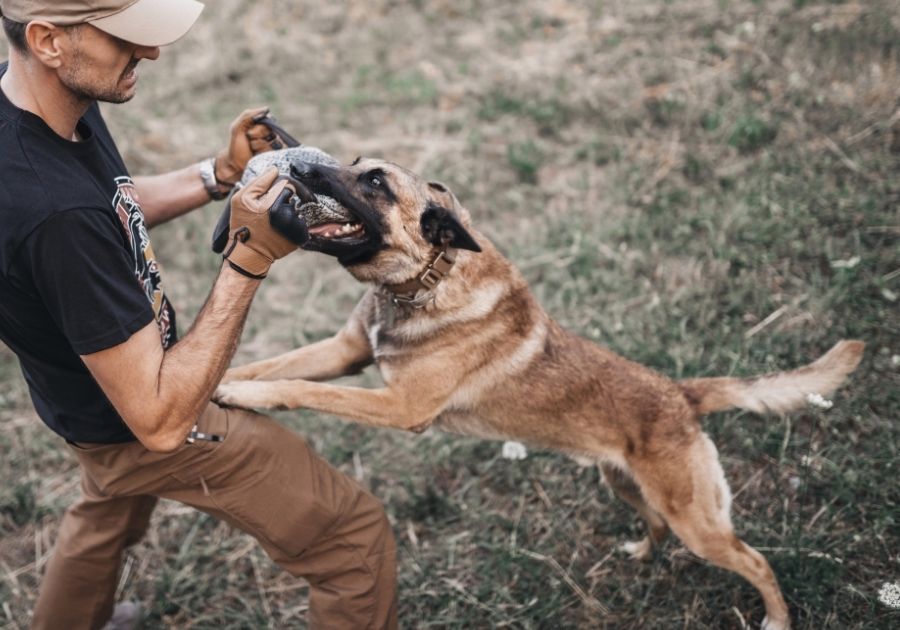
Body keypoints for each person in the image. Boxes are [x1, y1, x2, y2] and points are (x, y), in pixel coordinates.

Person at [0, 1, 398, 629]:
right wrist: (249, 257)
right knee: (353, 540)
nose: (151, 53)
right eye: (125, 40)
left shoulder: (36, 106)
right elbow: (158, 420)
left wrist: (219, 174)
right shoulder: (55, 218)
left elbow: (112, 207)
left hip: (81, 408)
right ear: (49, 40)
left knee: (107, 510)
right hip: (141, 417)